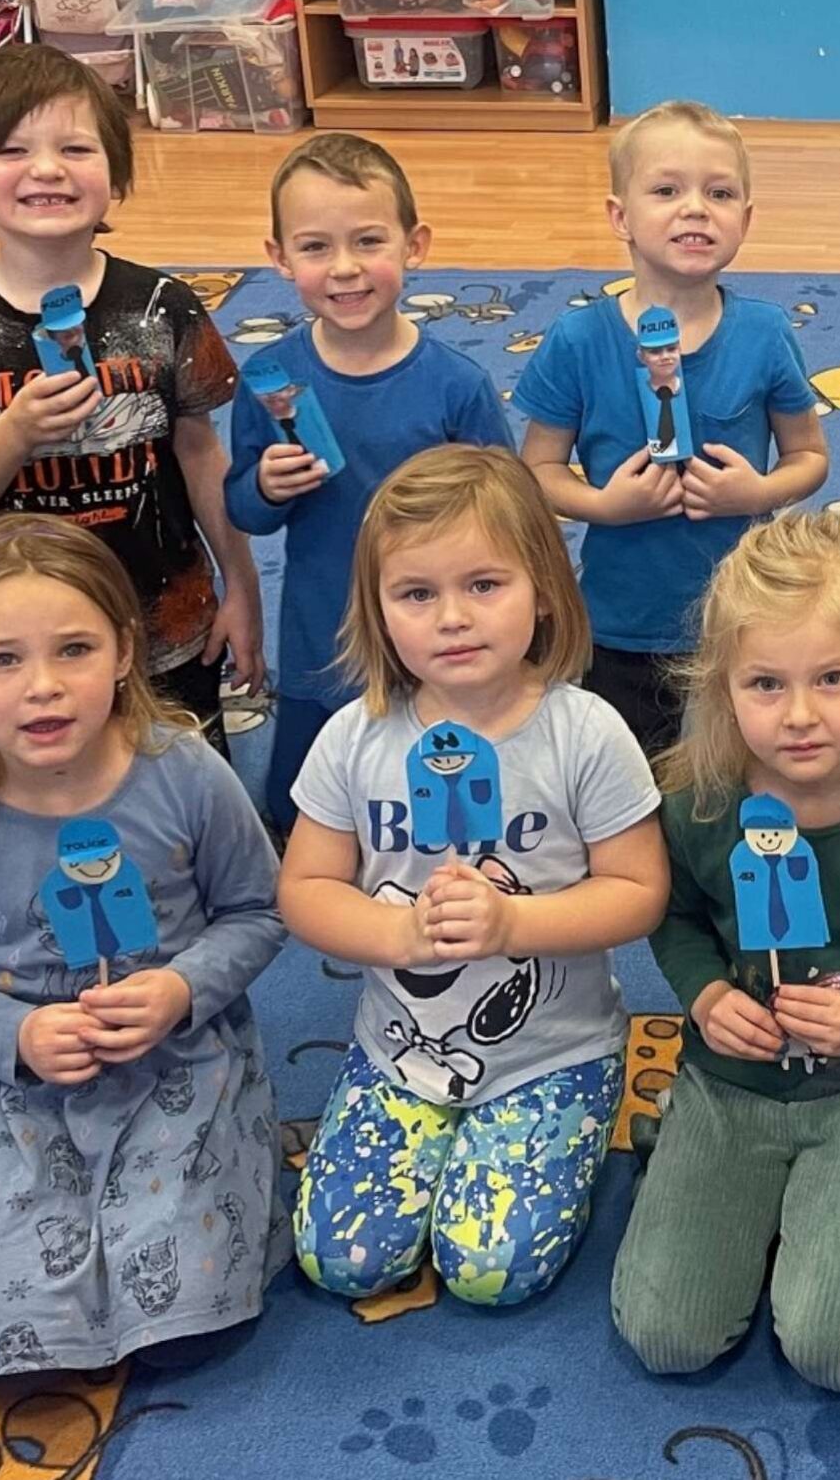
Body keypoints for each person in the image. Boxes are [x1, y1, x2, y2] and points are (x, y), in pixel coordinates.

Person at [0, 515, 285, 1379]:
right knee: (21, 1337)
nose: (44, 688)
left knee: (187, 1318)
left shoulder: (184, 770)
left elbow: (260, 909)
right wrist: (16, 1035)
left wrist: (181, 989)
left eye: (75, 649)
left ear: (126, 651)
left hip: (176, 1058)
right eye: (2, 659)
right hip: (9, 1078)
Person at [281, 446, 666, 1307]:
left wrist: (512, 925)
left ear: (544, 589)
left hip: (551, 1052)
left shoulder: (585, 733)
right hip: (397, 1049)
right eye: (417, 594)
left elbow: (640, 891)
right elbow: (304, 887)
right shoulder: (355, 736)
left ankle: (584, 1101)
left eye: (485, 585)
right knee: (344, 1260)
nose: (452, 617)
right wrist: (397, 932)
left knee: (490, 1270)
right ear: (379, 610)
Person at [612, 511, 840, 1393]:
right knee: (667, 1334)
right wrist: (706, 994)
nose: (801, 715)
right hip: (730, 1082)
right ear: (722, 687)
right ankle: (711, 1160)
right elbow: (675, 917)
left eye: (832, 678)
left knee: (838, 1351)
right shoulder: (699, 802)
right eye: (766, 684)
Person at [0, 42, 260, 748]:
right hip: (32, 654)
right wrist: (12, 435)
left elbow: (202, 456)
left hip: (167, 623)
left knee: (183, 786)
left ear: (116, 172)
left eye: (76, 148)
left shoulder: (163, 308)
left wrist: (244, 589)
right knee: (47, 790)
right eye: (12, 150)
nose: (47, 169)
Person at [514, 100, 830, 755]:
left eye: (719, 193)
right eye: (666, 191)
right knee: (630, 774)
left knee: (744, 769)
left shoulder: (765, 332)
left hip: (744, 618)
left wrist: (758, 493)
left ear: (745, 220)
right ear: (619, 217)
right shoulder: (578, 340)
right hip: (622, 621)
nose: (695, 210)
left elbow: (809, 456)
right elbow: (536, 470)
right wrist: (603, 505)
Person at [225, 132, 513, 831]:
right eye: (315, 247)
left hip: (435, 632)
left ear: (415, 245)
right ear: (279, 257)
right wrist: (266, 486)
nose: (345, 268)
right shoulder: (268, 378)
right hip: (320, 632)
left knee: (440, 788)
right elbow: (243, 510)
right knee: (296, 806)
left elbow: (511, 517)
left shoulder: (457, 385)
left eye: (369, 241)